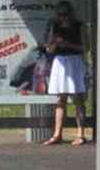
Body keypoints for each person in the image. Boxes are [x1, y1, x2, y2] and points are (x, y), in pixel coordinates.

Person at [36, 8, 89, 147]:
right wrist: (52, 43)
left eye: (65, 14)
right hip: (60, 62)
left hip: (74, 61)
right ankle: (57, 134)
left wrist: (67, 44)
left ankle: (80, 134)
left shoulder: (79, 26)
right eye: (60, 14)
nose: (63, 17)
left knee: (78, 99)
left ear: (71, 14)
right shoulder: (55, 27)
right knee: (60, 99)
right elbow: (50, 49)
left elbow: (85, 47)